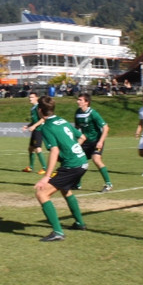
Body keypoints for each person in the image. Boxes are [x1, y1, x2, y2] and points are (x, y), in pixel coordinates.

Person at [34, 95, 88, 242]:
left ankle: (58, 232)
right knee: (65, 190)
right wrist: (72, 149)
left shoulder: (47, 127)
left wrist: (47, 176)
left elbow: (55, 151)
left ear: (40, 110)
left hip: (72, 165)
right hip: (81, 161)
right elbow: (82, 137)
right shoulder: (62, 121)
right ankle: (79, 223)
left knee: (42, 194)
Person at [74, 93, 113, 192]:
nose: (78, 101)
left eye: (80, 100)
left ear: (86, 102)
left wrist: (100, 141)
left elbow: (105, 128)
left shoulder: (93, 113)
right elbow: (77, 128)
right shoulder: (77, 113)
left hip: (96, 141)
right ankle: (77, 184)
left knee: (96, 159)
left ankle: (108, 184)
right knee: (78, 161)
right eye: (78, 99)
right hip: (85, 141)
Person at [20, 91, 47, 174]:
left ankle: (45, 168)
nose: (30, 99)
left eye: (32, 97)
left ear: (36, 98)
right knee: (30, 148)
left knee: (37, 148)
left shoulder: (38, 107)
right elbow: (35, 120)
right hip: (35, 129)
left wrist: (34, 126)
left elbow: (43, 119)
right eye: (29, 97)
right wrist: (28, 126)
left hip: (39, 130)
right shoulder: (32, 108)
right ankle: (30, 167)